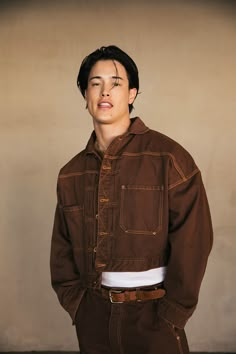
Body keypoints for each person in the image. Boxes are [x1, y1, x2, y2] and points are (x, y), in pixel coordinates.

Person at [50, 45, 213, 354]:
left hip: (155, 317)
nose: (104, 91)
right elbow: (61, 249)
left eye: (116, 83)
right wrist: (78, 306)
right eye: (95, 83)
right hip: (93, 318)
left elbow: (195, 239)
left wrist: (173, 314)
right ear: (85, 95)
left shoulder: (169, 158)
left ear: (132, 94)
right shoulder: (70, 173)